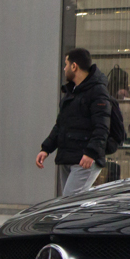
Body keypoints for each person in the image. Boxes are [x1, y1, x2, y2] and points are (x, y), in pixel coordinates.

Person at [36, 48, 111, 197]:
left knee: (69, 204)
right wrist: (46, 148)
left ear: (74, 66)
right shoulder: (72, 92)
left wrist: (91, 153)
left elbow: (102, 126)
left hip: (85, 160)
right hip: (69, 156)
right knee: (70, 204)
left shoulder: (97, 91)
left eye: (66, 64)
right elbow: (61, 125)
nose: (64, 69)